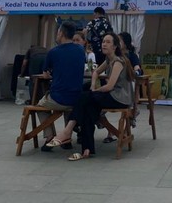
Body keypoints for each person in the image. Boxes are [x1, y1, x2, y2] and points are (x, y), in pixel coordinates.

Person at [45, 32, 135, 160]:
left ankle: (67, 131)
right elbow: (96, 72)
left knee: (84, 97)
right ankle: (87, 150)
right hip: (111, 95)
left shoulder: (118, 62)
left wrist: (94, 91)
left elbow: (109, 87)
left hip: (119, 98)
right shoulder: (109, 60)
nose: (104, 44)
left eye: (108, 42)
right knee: (88, 108)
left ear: (115, 46)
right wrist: (93, 85)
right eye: (103, 41)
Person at [36, 20, 86, 151]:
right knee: (69, 108)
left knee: (39, 105)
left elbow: (46, 74)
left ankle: (49, 136)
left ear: (61, 33)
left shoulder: (54, 52)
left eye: (58, 32)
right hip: (77, 97)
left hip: (58, 97)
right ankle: (66, 138)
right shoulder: (81, 51)